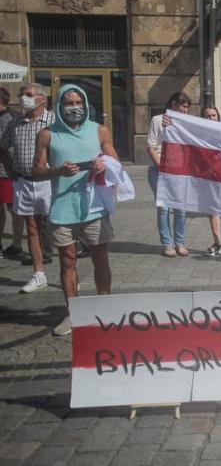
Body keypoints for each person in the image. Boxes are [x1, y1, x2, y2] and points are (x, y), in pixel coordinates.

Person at [33, 84, 119, 336]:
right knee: (67, 261)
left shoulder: (99, 130)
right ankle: (73, 313)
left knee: (100, 257)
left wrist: (104, 166)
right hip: (62, 208)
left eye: (78, 102)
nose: (74, 107)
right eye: (68, 103)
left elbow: (114, 161)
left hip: (94, 207)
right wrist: (57, 170)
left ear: (85, 104)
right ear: (59, 106)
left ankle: (105, 307)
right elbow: (36, 171)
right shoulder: (48, 134)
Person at [0, 83, 54, 293]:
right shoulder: (15, 123)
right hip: (23, 181)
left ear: (41, 98)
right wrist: (10, 170)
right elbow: (3, 148)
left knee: (58, 228)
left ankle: (69, 272)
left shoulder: (53, 121)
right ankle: (39, 274)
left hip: (48, 182)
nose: (23, 98)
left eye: (29, 95)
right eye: (22, 94)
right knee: (31, 229)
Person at [147, 92, 191, 257]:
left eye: (187, 107)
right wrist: (162, 167)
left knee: (180, 209)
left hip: (178, 171)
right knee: (164, 208)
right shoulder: (158, 120)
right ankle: (167, 243)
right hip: (159, 170)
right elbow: (150, 146)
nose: (186, 110)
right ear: (173, 104)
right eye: (183, 106)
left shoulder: (185, 123)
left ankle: (179, 243)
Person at [0, 87, 24, 259]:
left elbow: (10, 147)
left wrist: (11, 169)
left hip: (6, 171)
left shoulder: (11, 118)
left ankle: (16, 244)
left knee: (13, 208)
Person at [200, 105, 221, 256]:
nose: (211, 118)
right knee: (212, 209)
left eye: (213, 115)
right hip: (208, 176)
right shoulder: (200, 134)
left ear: (218, 117)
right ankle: (218, 242)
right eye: (207, 116)